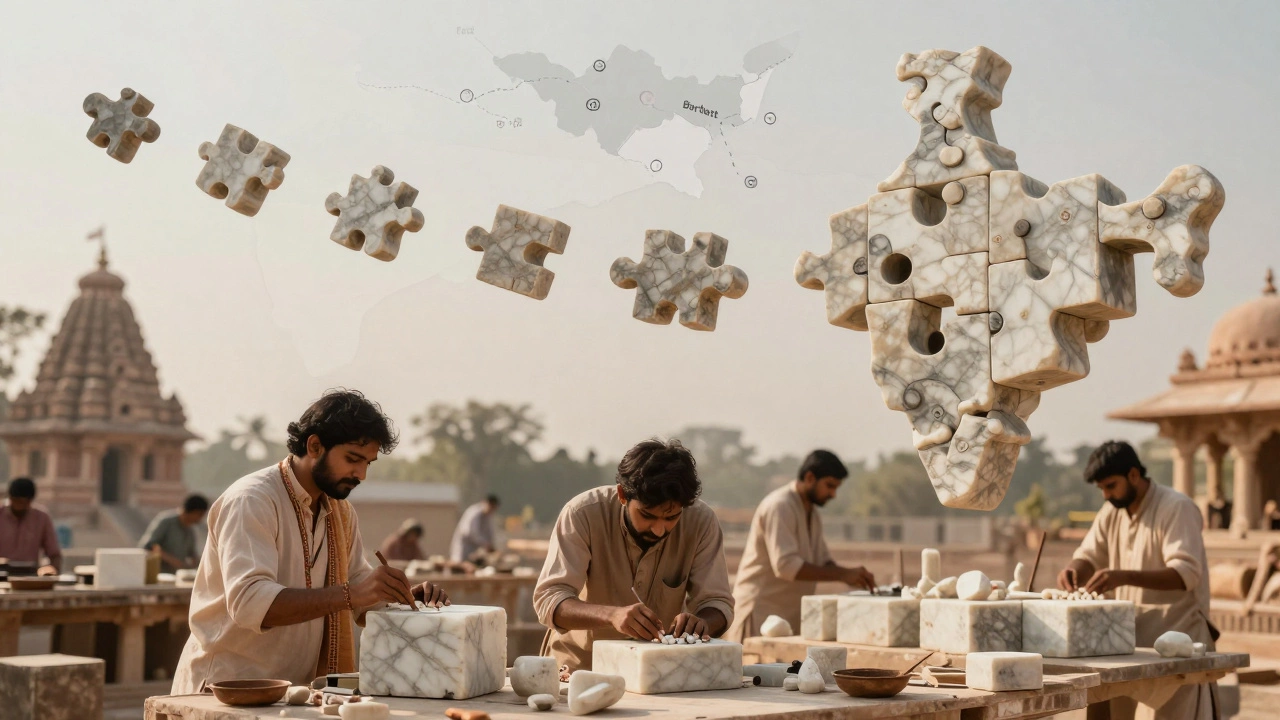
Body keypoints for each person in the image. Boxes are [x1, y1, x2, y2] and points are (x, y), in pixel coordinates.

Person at [172, 390, 450, 694]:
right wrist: (350, 594)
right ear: (315, 446)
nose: (361, 474)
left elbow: (357, 587)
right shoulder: (252, 500)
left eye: (368, 463)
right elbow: (250, 603)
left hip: (292, 695)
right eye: (353, 459)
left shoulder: (340, 512)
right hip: (227, 690)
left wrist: (402, 599)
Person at [533, 438, 734, 672]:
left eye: (671, 518)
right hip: (579, 670)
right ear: (622, 495)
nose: (659, 529)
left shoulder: (701, 521)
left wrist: (701, 624)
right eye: (647, 516)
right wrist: (612, 616)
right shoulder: (582, 514)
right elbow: (550, 600)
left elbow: (718, 604)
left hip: (658, 674)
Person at [1056, 441, 1214, 720]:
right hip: (1127, 645)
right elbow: (1089, 555)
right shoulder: (1112, 511)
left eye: (1111, 486)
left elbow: (1186, 573)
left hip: (1177, 645)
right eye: (1101, 489)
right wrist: (1073, 570)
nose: (1106, 494)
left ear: (1133, 475)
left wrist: (1123, 576)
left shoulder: (1176, 507)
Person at [725, 450, 875, 641]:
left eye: (836, 488)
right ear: (810, 477)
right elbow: (786, 567)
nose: (833, 494)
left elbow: (823, 562)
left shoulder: (812, 513)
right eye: (829, 486)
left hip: (786, 623)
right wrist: (842, 574)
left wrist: (852, 576)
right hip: (759, 618)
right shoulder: (780, 506)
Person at [0, 477, 62, 576]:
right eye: (18, 502)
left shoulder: (42, 517)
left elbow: (54, 554)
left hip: (30, 576)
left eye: (25, 502)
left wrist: (51, 571)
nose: (21, 506)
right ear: (11, 498)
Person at [139, 494, 209, 573]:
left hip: (175, 577)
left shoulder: (190, 531)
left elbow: (192, 554)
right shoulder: (166, 522)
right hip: (157, 575)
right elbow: (150, 546)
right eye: (200, 515)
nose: (201, 518)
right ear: (195, 512)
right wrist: (172, 561)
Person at [450, 494, 499, 562]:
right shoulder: (474, 512)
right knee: (460, 564)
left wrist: (491, 545)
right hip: (464, 547)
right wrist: (484, 543)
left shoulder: (488, 517)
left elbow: (490, 533)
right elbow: (470, 532)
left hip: (474, 550)